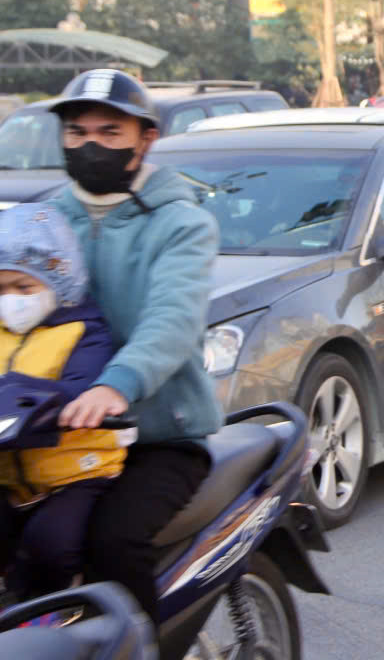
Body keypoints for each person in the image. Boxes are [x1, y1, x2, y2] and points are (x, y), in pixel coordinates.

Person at [48, 69, 224, 626]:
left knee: (114, 544)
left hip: (158, 435)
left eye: (109, 131)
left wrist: (114, 385)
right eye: (76, 133)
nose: (90, 145)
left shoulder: (181, 223)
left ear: (145, 138)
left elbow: (172, 319)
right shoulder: (44, 219)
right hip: (51, 433)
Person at [0, 203, 130, 603]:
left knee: (51, 544)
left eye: (24, 288)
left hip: (76, 471)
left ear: (60, 280)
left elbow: (79, 388)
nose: (11, 300)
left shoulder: (84, 331)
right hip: (11, 475)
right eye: (1, 289)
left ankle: (54, 609)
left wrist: (15, 395)